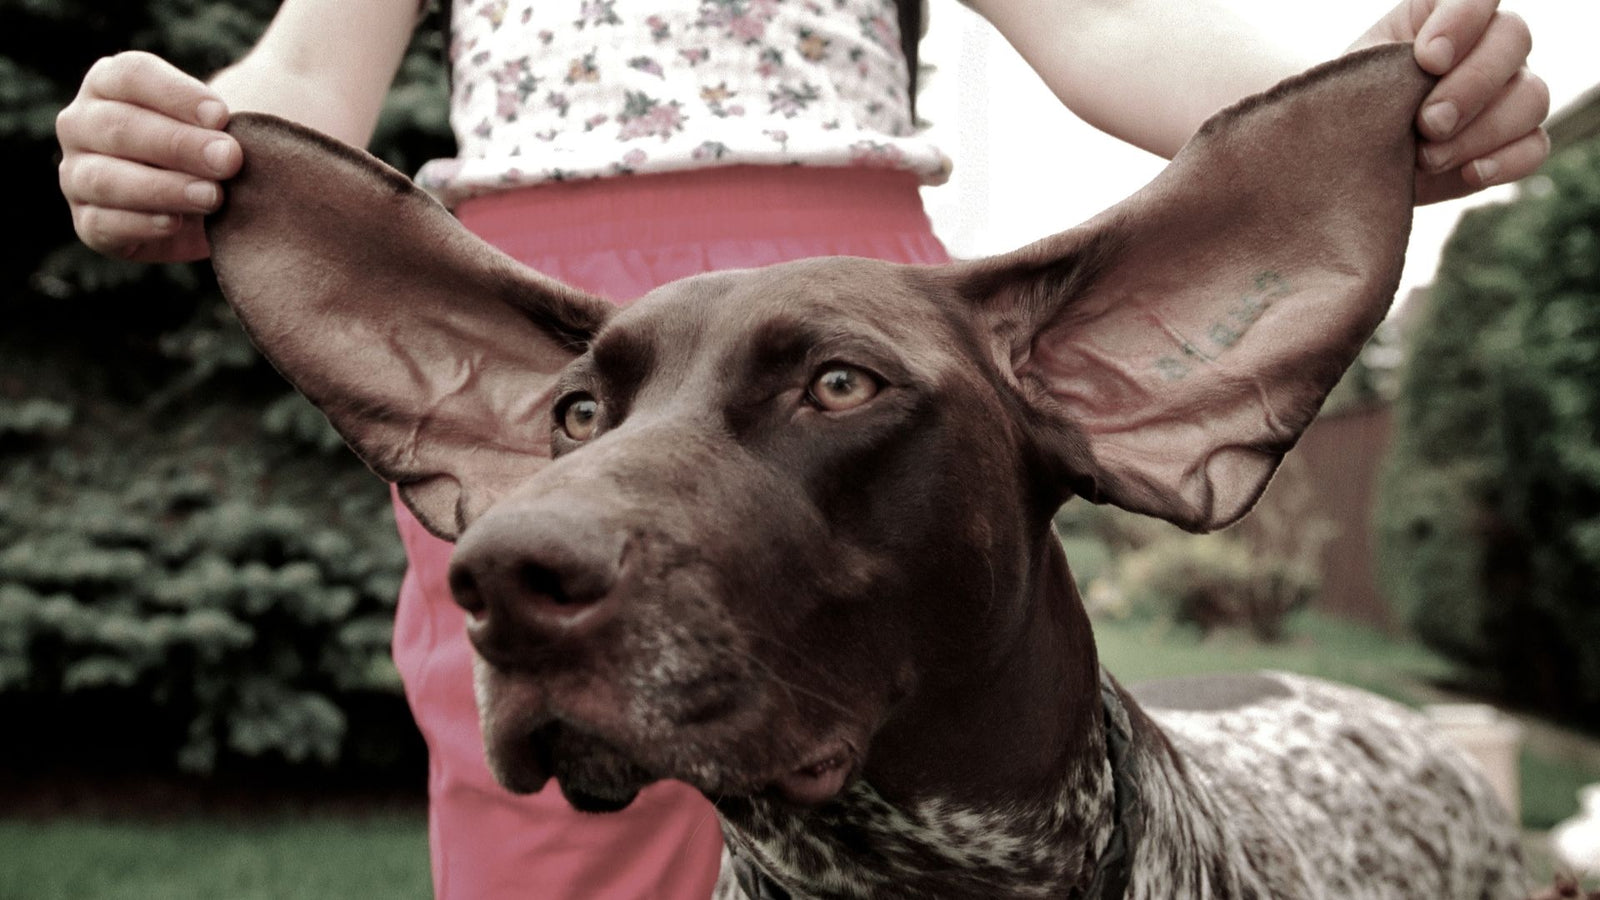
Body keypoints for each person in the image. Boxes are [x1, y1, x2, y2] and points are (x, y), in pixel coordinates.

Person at [55, 0, 1549, 897]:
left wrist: (1358, 104)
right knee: (547, 836)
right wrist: (178, 138)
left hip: (855, 306)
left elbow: (1106, 24)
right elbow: (304, 76)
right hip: (547, 371)